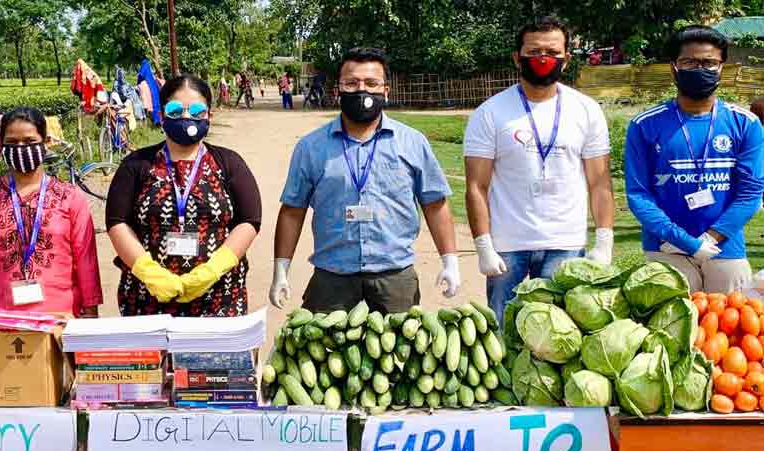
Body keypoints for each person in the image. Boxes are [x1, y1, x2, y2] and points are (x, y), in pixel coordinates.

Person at [270, 47, 460, 314]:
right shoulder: (310, 147)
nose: (362, 90)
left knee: (398, 354)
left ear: (386, 90)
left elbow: (435, 204)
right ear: (337, 90)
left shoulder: (413, 143)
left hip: (395, 278)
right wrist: (281, 269)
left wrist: (450, 261)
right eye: (351, 83)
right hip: (331, 278)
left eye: (372, 83)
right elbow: (292, 211)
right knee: (325, 353)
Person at [464, 17, 614, 324]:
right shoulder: (490, 112)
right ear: (517, 58)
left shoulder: (586, 110)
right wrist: (483, 246)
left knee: (558, 337)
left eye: (552, 52)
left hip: (566, 245)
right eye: (534, 51)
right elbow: (476, 186)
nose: (543, 59)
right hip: (508, 246)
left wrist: (604, 242)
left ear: (566, 59)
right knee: (503, 335)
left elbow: (599, 181)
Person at [106, 74, 261, 317]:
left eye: (197, 110)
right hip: (147, 301)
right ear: (162, 113)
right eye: (176, 109)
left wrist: (211, 271)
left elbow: (249, 219)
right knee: (153, 356)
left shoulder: (229, 163)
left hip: (218, 299)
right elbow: (117, 221)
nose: (187, 117)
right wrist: (149, 272)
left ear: (209, 115)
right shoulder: (136, 165)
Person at [625, 25, 764, 293]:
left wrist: (708, 239)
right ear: (673, 68)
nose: (700, 69)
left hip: (725, 248)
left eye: (709, 62)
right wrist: (686, 242)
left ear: (722, 67)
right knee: (674, 330)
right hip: (666, 248)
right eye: (689, 61)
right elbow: (638, 195)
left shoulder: (745, 123)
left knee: (730, 329)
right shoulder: (644, 125)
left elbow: (751, 193)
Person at [0, 107, 103, 317]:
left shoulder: (70, 196)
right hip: (3, 318)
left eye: (29, 141)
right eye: (12, 143)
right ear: (0, 146)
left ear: (45, 143)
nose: (21, 148)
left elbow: (86, 260)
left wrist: (90, 313)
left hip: (62, 317)